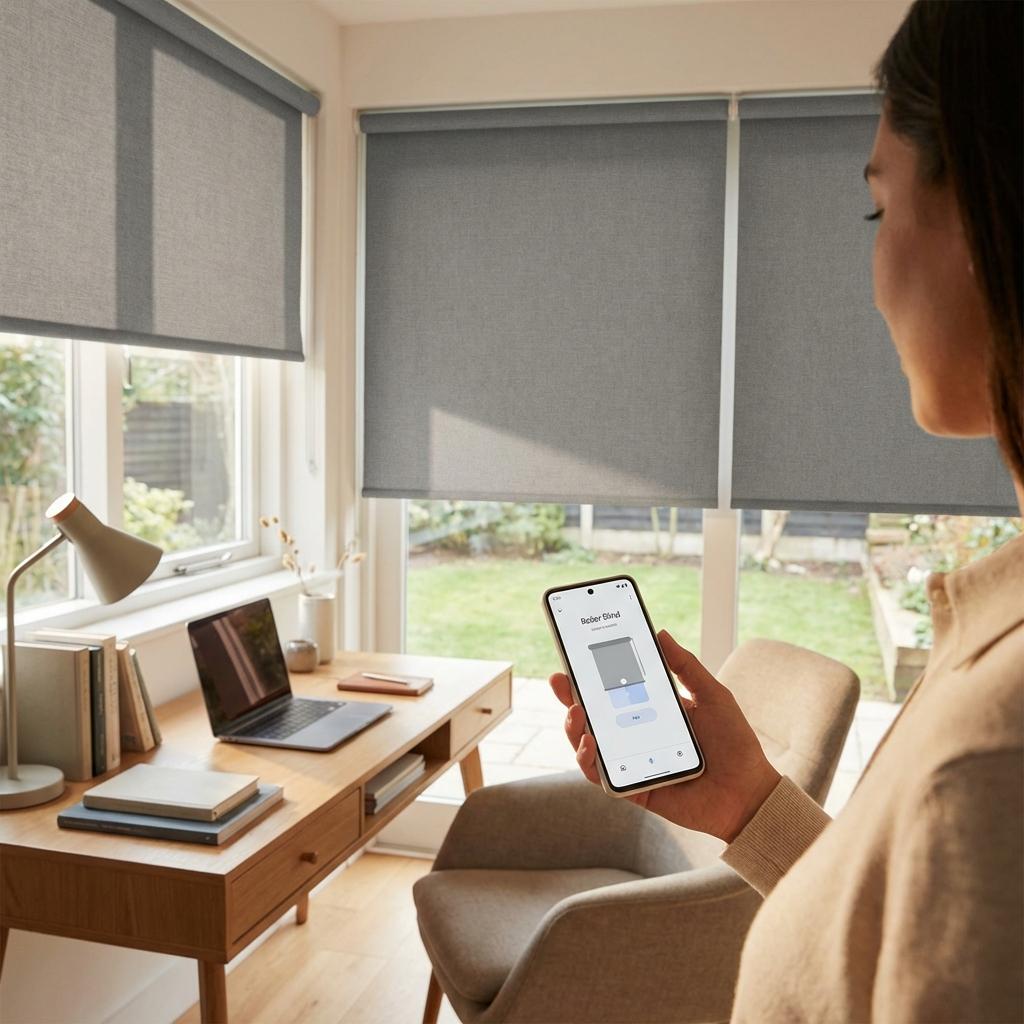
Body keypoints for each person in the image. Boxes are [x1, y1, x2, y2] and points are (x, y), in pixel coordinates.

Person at [550, 2, 1023, 1020]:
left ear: (991, 211)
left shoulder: (998, 749)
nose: (873, 277)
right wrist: (749, 805)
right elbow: (886, 941)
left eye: (879, 211)